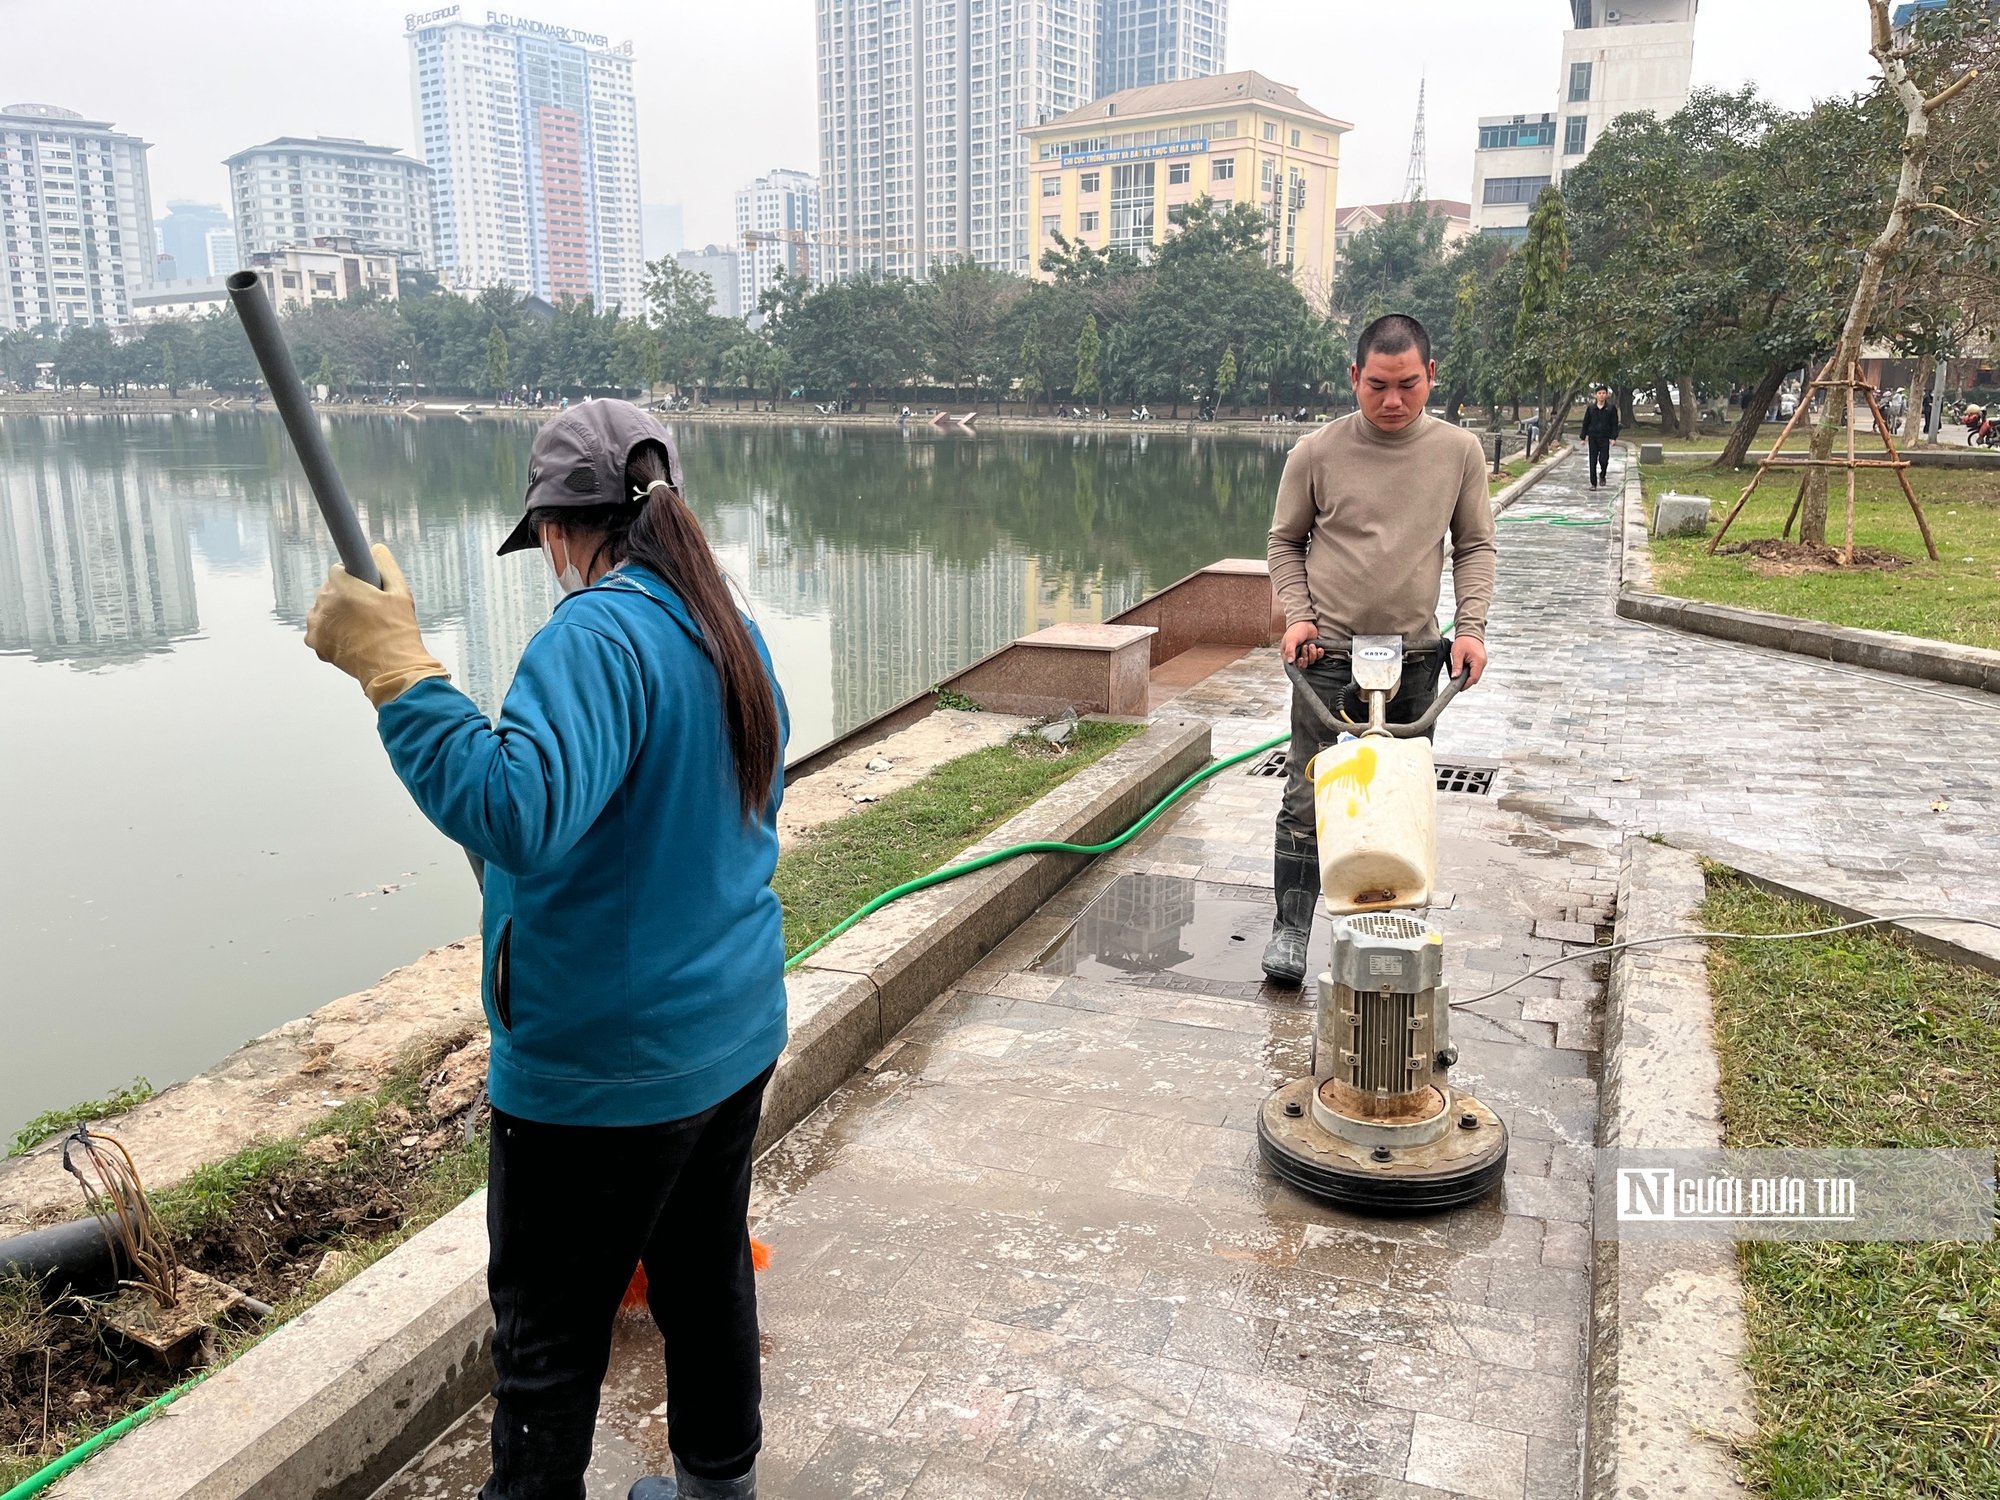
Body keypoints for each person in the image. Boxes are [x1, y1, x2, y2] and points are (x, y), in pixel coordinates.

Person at [303, 402, 787, 1500]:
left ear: (563, 530)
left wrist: (402, 679)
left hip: (600, 1076)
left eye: (547, 545)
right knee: (704, 1277)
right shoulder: (727, 622)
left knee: (546, 1344)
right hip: (729, 1033)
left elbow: (515, 811)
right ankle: (719, 1492)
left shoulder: (594, 633)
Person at [1262, 313, 1494, 985]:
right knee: (1310, 791)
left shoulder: (1459, 453)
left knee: (1402, 797)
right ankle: (1292, 924)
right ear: (1355, 378)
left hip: (1418, 659)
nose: (1393, 402)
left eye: (1408, 385)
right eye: (1378, 386)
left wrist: (1471, 628)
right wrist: (1299, 617)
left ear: (1430, 377)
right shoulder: (1316, 453)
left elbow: (1475, 546)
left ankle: (1396, 934)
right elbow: (1285, 542)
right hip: (1326, 656)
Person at [1581, 386, 1620, 488]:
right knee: (1592, 460)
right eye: (1599, 393)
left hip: (1604, 437)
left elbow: (1614, 424)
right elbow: (1586, 423)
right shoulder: (1591, 408)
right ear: (1595, 395)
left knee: (1604, 459)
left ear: (1606, 395)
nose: (1601, 395)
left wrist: (1613, 438)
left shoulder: (1611, 408)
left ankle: (1602, 475)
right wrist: (1583, 437)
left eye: (1603, 393)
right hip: (1593, 437)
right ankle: (1593, 483)